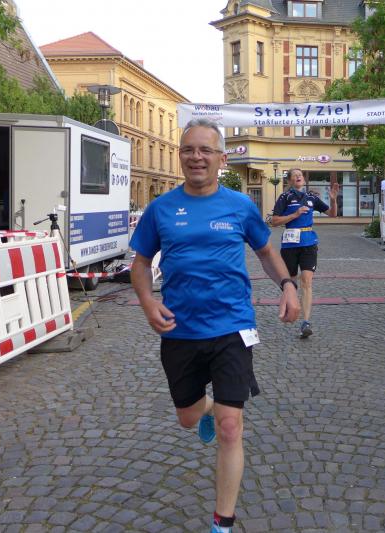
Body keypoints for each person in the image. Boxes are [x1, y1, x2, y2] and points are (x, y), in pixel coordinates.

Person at [130, 118, 301, 533]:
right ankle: (204, 408)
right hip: (180, 329)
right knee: (188, 418)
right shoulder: (161, 208)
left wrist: (287, 285)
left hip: (232, 327)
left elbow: (265, 252)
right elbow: (140, 263)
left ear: (222, 159)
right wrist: (148, 301)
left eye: (205, 150)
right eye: (189, 149)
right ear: (180, 155)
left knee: (230, 426)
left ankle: (222, 522)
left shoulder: (240, 206)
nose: (196, 157)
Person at [270, 169, 338, 339]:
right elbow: (274, 221)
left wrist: (333, 200)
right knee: (291, 282)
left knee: (306, 281)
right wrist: (295, 214)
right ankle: (291, 309)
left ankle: (305, 322)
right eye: (295, 175)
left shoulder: (311, 197)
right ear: (289, 181)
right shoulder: (285, 197)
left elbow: (332, 214)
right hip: (290, 245)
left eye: (300, 174)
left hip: (309, 243)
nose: (299, 176)